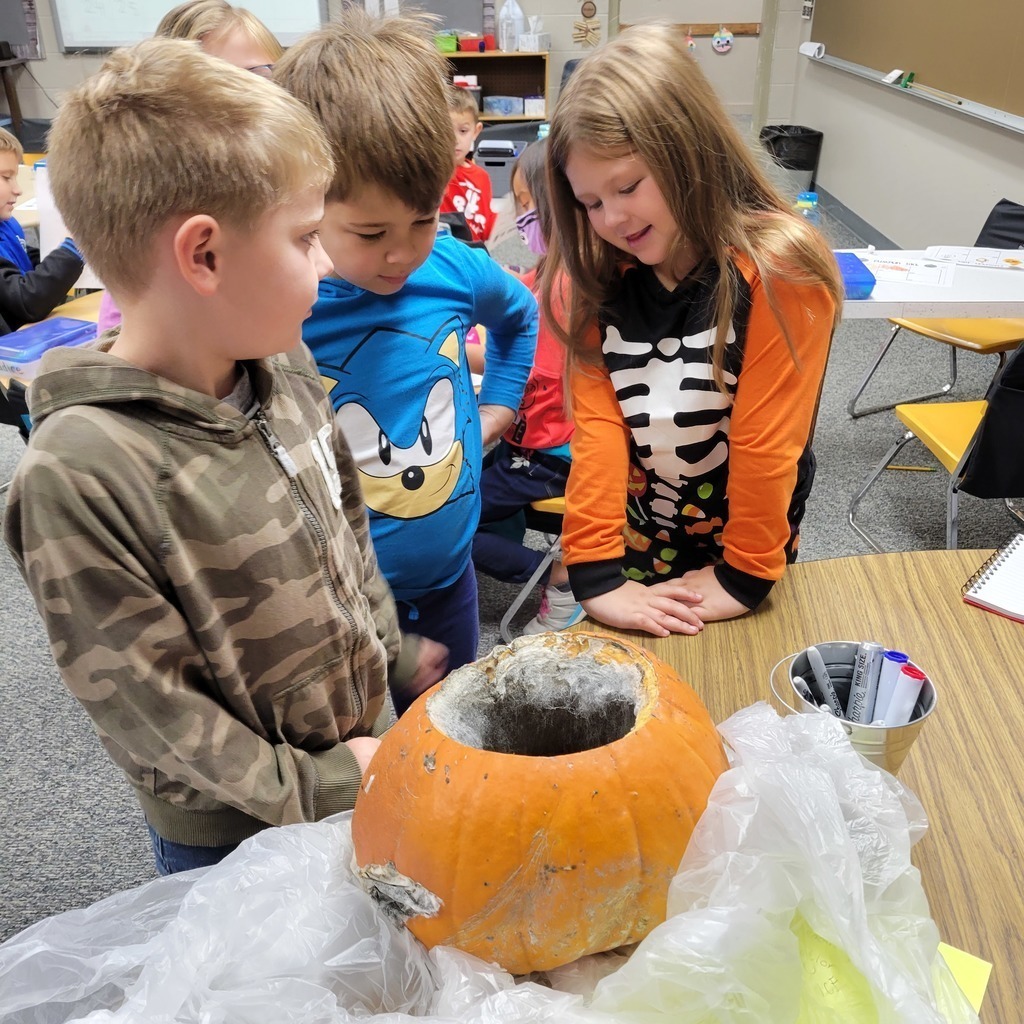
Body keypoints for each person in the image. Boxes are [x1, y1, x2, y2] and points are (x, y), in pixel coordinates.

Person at [3, 38, 446, 876]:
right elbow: (147, 705)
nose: (324, 264)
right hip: (235, 831)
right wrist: (313, 785)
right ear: (204, 254)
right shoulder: (77, 473)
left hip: (358, 750)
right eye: (306, 237)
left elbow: (346, 528)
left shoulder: (283, 362)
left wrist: (388, 651)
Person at [541, 24, 842, 638]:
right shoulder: (591, 280)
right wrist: (595, 571)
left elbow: (767, 443)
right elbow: (598, 433)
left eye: (627, 187)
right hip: (640, 534)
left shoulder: (782, 271)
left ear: (689, 152)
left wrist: (746, 574)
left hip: (747, 541)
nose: (612, 219)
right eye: (592, 203)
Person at [275, 10, 537, 712]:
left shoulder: (452, 265)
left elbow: (521, 317)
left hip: (451, 577)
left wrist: (501, 409)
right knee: (351, 757)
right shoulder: (283, 305)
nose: (402, 253)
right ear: (306, 203)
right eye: (370, 232)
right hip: (340, 607)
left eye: (422, 219)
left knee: (454, 729)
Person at [95, 0, 285, 335]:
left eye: (258, 76)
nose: (243, 99)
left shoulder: (290, 178)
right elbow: (126, 333)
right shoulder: (156, 207)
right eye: (218, 82)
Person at [472, 140, 581, 634]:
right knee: (471, 479)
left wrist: (463, 348)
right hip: (537, 443)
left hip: (547, 454)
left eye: (526, 203)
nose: (520, 216)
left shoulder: (563, 286)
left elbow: (529, 371)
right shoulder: (552, 270)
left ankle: (558, 577)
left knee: (448, 520)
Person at [0, 127, 84, 335]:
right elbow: (28, 302)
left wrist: (53, 252)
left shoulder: (7, 225)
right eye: (6, 177)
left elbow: (26, 269)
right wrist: (73, 247)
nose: (18, 189)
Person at [439, 85, 496, 243]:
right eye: (447, 131)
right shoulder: (434, 174)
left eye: (463, 131)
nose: (455, 140)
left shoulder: (481, 176)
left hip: (478, 252)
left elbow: (486, 221)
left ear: (476, 131)